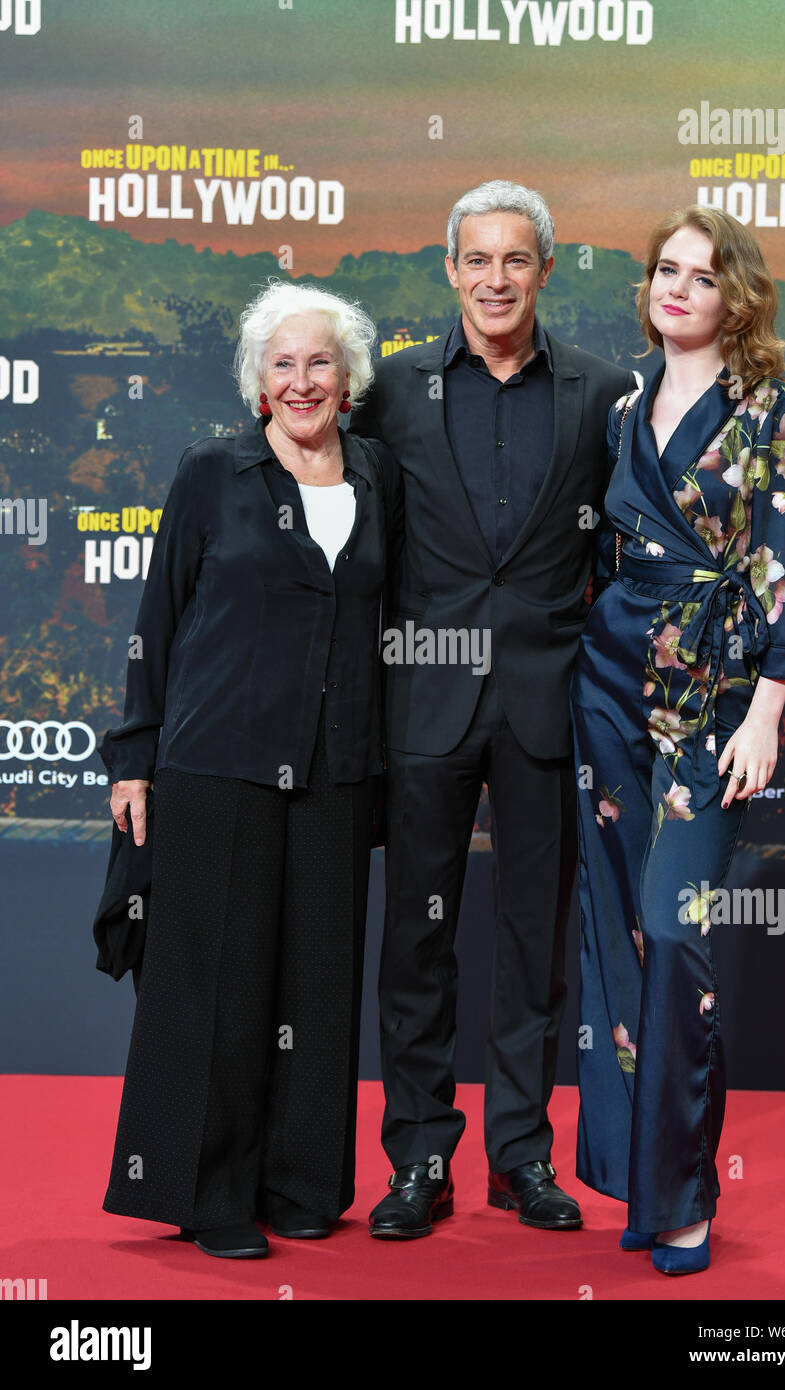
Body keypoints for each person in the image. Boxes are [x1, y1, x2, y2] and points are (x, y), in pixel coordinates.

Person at [349, 179, 635, 1237]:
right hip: (421, 696)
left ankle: (523, 1152)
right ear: (451, 270)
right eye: (478, 259)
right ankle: (418, 1154)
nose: (496, 278)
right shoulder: (392, 391)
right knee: (415, 941)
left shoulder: (603, 392)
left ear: (545, 271)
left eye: (516, 260)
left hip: (547, 705)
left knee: (531, 939)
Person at [99, 281, 399, 1257]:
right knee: (218, 983)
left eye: (320, 362)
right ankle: (209, 1191)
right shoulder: (210, 473)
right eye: (284, 363)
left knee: (317, 985)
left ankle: (303, 1181)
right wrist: (133, 758)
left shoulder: (380, 476)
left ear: (347, 377)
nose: (303, 380)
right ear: (258, 382)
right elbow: (158, 620)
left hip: (336, 768)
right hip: (215, 761)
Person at [571, 206, 785, 1273]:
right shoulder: (624, 402)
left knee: (676, 934)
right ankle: (634, 1179)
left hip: (712, 698)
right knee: (619, 931)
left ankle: (683, 1193)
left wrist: (766, 710)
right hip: (608, 684)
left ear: (737, 295)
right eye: (662, 271)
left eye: (700, 275)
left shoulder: (772, 410)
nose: (674, 288)